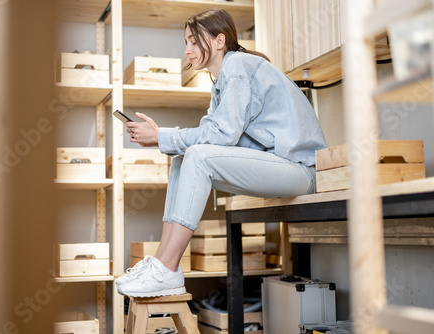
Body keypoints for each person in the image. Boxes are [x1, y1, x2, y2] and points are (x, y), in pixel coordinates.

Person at [116, 8, 327, 297]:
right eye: (186, 42)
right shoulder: (222, 82)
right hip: (279, 166)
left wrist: (162, 135)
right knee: (183, 158)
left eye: (193, 41)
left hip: (299, 170)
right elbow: (213, 136)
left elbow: (220, 135)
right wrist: (164, 137)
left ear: (218, 41)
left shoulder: (238, 65)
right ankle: (163, 264)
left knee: (197, 156)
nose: (187, 49)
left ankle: (166, 268)